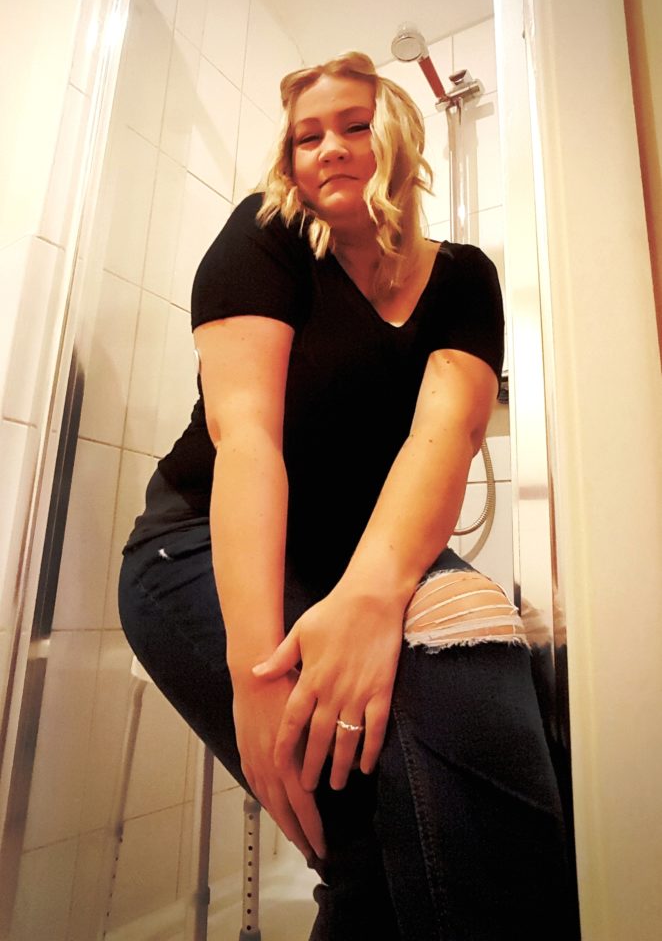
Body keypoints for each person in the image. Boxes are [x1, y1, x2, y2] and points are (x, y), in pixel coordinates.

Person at [119, 52, 578, 940]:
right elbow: (246, 441)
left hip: (360, 552)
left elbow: (443, 439)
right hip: (205, 549)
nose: (328, 147)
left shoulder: (465, 278)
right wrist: (258, 679)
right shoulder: (267, 236)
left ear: (403, 136)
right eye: (306, 136)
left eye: (355, 124)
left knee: (482, 761)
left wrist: (372, 595)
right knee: (365, 834)